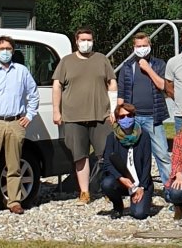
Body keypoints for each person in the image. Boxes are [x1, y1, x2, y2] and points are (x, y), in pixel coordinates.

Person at [0, 34, 39, 217]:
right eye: (2, 49)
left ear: (13, 51)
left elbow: (33, 94)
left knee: (14, 165)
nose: (5, 52)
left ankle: (14, 201)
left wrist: (29, 115)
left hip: (15, 122)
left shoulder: (21, 71)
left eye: (8, 49)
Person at [52, 25, 116, 204]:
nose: (86, 43)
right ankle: (85, 192)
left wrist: (113, 110)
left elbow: (112, 83)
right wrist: (57, 111)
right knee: (80, 155)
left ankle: (108, 189)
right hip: (73, 117)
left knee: (106, 155)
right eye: (83, 40)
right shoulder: (66, 61)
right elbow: (57, 85)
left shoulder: (101, 59)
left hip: (100, 116)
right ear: (76, 41)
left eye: (89, 40)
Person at [117, 32, 171, 184]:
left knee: (162, 156)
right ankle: (135, 187)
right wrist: (118, 114)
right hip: (132, 118)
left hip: (154, 118)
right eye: (138, 46)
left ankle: (171, 193)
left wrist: (147, 68)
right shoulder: (127, 66)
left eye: (144, 46)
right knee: (132, 155)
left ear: (150, 46)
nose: (141, 49)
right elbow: (121, 94)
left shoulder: (159, 64)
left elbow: (163, 86)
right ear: (134, 47)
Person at [100, 101, 153, 219]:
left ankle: (143, 197)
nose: (126, 119)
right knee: (107, 183)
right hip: (122, 182)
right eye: (122, 117)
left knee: (139, 214)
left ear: (134, 116)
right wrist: (120, 178)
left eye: (129, 116)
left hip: (140, 182)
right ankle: (118, 206)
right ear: (117, 119)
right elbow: (107, 163)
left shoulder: (144, 135)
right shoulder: (111, 137)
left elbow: (147, 164)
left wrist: (142, 187)